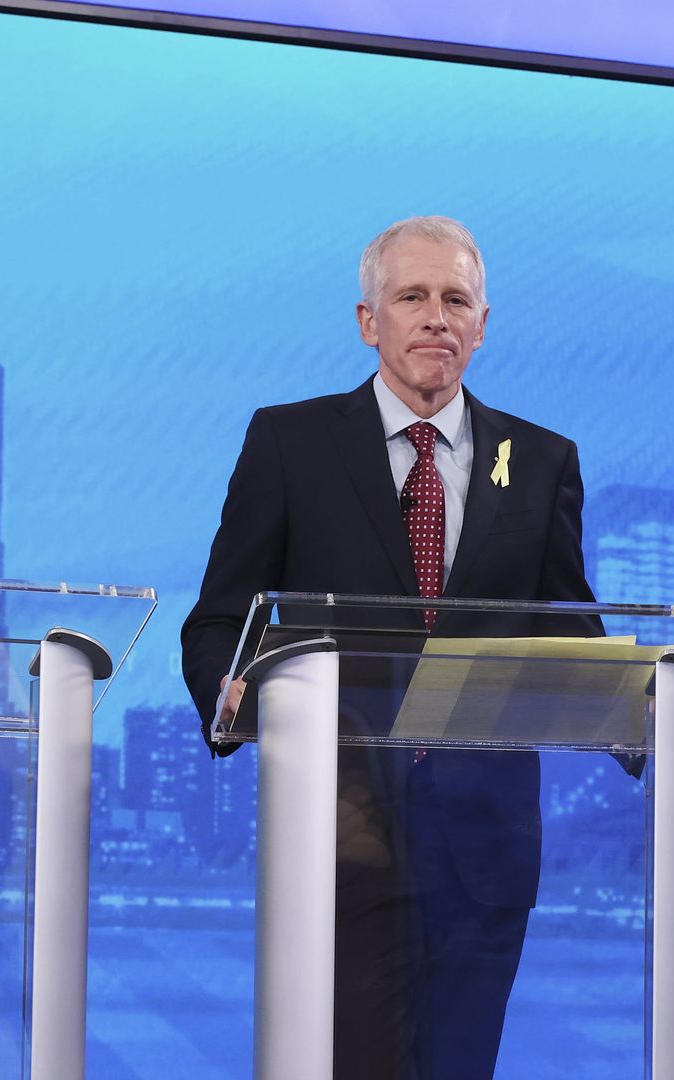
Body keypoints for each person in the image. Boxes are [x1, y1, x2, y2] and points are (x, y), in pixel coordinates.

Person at [182, 215, 600, 1080]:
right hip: (339, 833)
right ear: (369, 320)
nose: (436, 317)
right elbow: (219, 620)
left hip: (483, 849)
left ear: (483, 325)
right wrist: (228, 694)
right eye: (412, 296)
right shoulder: (290, 444)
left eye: (456, 300)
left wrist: (650, 714)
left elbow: (571, 629)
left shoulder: (544, 460)